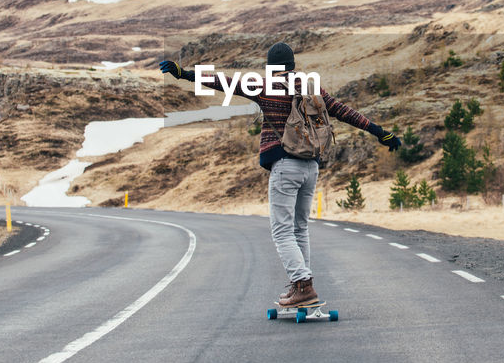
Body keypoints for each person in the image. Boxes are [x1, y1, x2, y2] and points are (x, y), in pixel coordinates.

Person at [160, 42, 400, 309]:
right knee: (299, 229)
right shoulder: (312, 88)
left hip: (285, 166)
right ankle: (301, 286)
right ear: (292, 64)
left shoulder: (266, 87)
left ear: (270, 66)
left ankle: (304, 285)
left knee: (282, 231)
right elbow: (346, 112)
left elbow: (225, 82)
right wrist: (381, 132)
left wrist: (185, 73)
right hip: (311, 165)